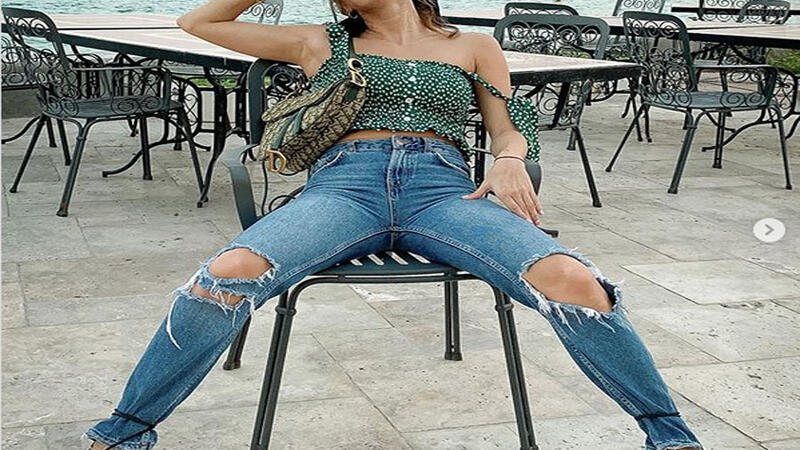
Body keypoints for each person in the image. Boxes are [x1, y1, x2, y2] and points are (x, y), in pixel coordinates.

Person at [84, 1, 704, 449]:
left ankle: (670, 437)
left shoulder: (473, 47)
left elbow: (507, 127)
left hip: (444, 190)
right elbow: (198, 23)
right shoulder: (319, 41)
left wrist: (511, 159)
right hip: (344, 187)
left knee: (575, 281)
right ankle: (124, 433)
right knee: (226, 273)